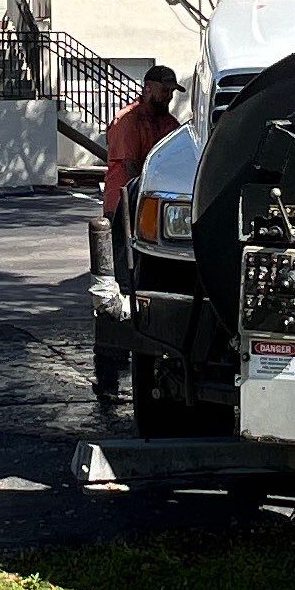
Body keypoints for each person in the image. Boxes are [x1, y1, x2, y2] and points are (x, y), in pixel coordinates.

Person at [93, 66, 185, 409]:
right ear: (148, 87)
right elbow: (133, 171)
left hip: (153, 219)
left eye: (172, 91)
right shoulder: (128, 121)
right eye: (165, 90)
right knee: (117, 288)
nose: (170, 96)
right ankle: (108, 374)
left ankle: (146, 360)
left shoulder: (169, 125)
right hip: (124, 212)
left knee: (149, 287)